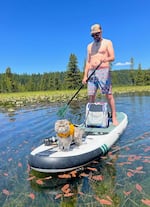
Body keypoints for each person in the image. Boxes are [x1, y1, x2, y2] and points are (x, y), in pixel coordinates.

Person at [82, 23, 118, 126]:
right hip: (91, 72)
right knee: (91, 95)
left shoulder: (107, 42)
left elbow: (112, 57)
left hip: (103, 71)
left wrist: (105, 59)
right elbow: (88, 62)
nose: (95, 36)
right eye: (93, 35)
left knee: (108, 94)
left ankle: (114, 116)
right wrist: (85, 76)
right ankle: (91, 118)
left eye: (96, 34)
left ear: (101, 32)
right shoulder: (89, 46)